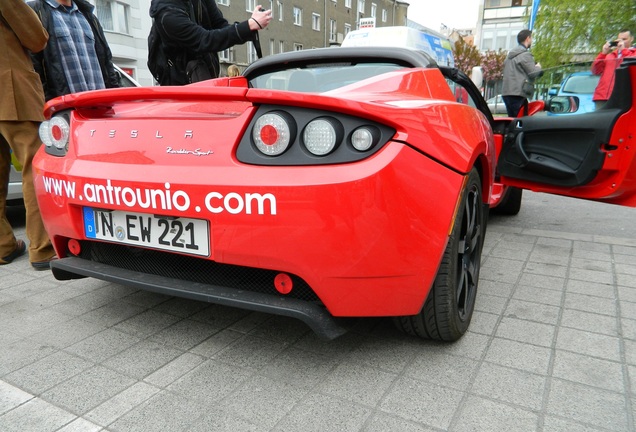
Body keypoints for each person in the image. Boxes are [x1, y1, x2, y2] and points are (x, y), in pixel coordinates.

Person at [0, 0, 56, 270]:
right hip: (9, 90)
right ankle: (42, 248)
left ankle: (3, 246)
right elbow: (37, 38)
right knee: (34, 166)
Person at [149, 0, 272, 85]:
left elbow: (220, 25)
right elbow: (204, 40)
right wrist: (248, 26)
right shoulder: (167, 15)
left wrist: (249, 27)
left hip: (205, 78)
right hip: (180, 87)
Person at [28, 0, 120, 101]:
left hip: (100, 104)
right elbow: (32, 64)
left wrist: (115, 97)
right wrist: (48, 104)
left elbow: (107, 61)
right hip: (64, 108)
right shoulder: (35, 11)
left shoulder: (88, 15)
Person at [591, 29, 636, 110]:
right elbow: (595, 70)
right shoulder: (610, 56)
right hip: (602, 96)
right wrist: (603, 53)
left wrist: (623, 50)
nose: (621, 42)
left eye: (624, 39)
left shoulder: (633, 53)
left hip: (623, 97)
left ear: (631, 39)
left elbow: (631, 64)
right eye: (619, 40)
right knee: (601, 121)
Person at [502, 29, 543, 117]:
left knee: (512, 121)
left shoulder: (509, 57)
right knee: (521, 123)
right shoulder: (525, 55)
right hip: (518, 94)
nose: (532, 40)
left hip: (506, 93)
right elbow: (533, 73)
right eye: (531, 38)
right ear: (527, 38)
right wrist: (539, 67)